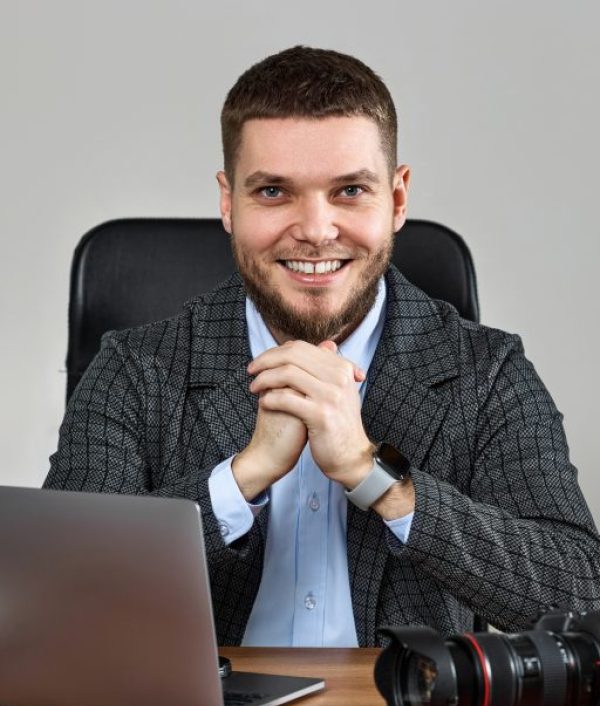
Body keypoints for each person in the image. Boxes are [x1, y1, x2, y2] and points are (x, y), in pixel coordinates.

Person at [44, 46, 599, 647]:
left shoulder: (486, 373)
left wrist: (375, 475)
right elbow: (59, 592)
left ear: (398, 198)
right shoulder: (136, 369)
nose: (314, 230)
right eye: (274, 192)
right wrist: (242, 476)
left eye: (351, 191)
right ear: (228, 202)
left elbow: (582, 598)